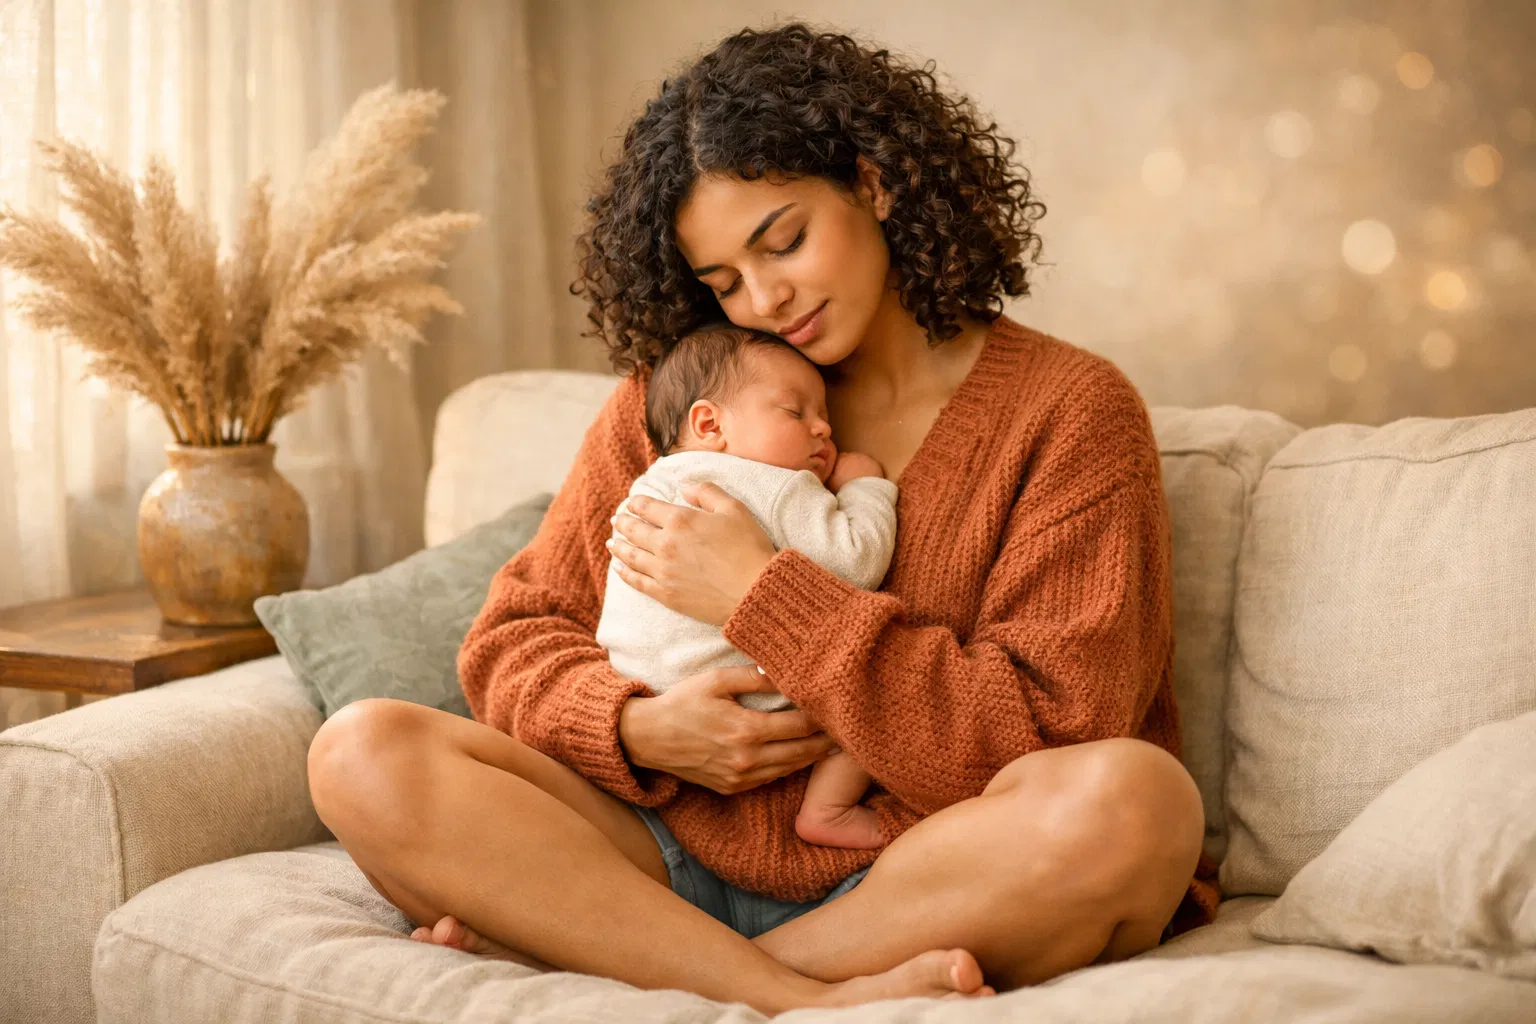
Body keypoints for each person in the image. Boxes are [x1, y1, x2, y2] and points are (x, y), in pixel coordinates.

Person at [306, 22, 1217, 1016]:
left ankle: (655, 960)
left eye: (782, 240)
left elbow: (1055, 726)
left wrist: (758, 594)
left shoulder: (1070, 413)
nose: (765, 299)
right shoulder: (680, 402)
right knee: (360, 752)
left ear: (874, 183)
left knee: (1137, 805)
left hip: (915, 872)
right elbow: (510, 645)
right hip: (654, 843)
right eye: (723, 281)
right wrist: (642, 729)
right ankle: (795, 994)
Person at [596, 321, 896, 850]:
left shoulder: (651, 483)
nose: (824, 429)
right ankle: (828, 810)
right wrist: (866, 486)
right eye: (795, 412)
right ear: (709, 424)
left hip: (641, 687)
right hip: (741, 699)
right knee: (867, 695)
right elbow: (856, 561)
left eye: (823, 414)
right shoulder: (775, 484)